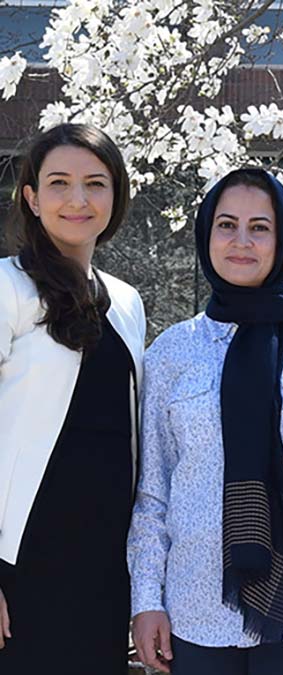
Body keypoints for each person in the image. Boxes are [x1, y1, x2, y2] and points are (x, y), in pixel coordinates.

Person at [127, 168, 283, 675]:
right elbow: (152, 491)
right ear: (205, 235)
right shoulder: (172, 351)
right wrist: (145, 598)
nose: (242, 241)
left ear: (282, 238)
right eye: (226, 225)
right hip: (192, 607)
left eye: (260, 227)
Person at [0, 123, 144, 674]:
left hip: (104, 566)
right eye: (59, 183)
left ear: (116, 194)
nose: (78, 200)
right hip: (21, 561)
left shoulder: (126, 301)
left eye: (96, 183)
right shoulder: (9, 288)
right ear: (32, 198)